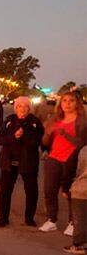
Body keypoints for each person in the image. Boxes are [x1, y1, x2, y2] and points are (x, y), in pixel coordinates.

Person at [39, 92, 87, 234]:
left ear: (77, 103)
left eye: (71, 101)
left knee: (70, 193)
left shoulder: (82, 121)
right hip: (53, 158)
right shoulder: (56, 119)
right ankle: (51, 220)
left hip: (72, 161)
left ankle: (73, 223)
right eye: (64, 100)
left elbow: (82, 144)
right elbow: (45, 142)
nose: (67, 103)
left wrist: (64, 134)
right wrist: (47, 133)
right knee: (49, 191)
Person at [0, 97, 44, 227]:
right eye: (19, 106)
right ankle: (3, 218)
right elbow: (0, 140)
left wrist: (25, 135)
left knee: (31, 190)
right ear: (15, 108)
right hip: (9, 161)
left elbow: (37, 141)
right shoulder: (9, 121)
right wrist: (14, 137)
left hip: (28, 162)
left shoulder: (35, 122)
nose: (22, 109)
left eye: (25, 106)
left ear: (29, 108)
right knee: (5, 190)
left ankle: (29, 218)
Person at [65, 144, 87, 254]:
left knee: (79, 219)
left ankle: (80, 245)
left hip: (82, 189)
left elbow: (73, 169)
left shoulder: (83, 150)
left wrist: (66, 186)